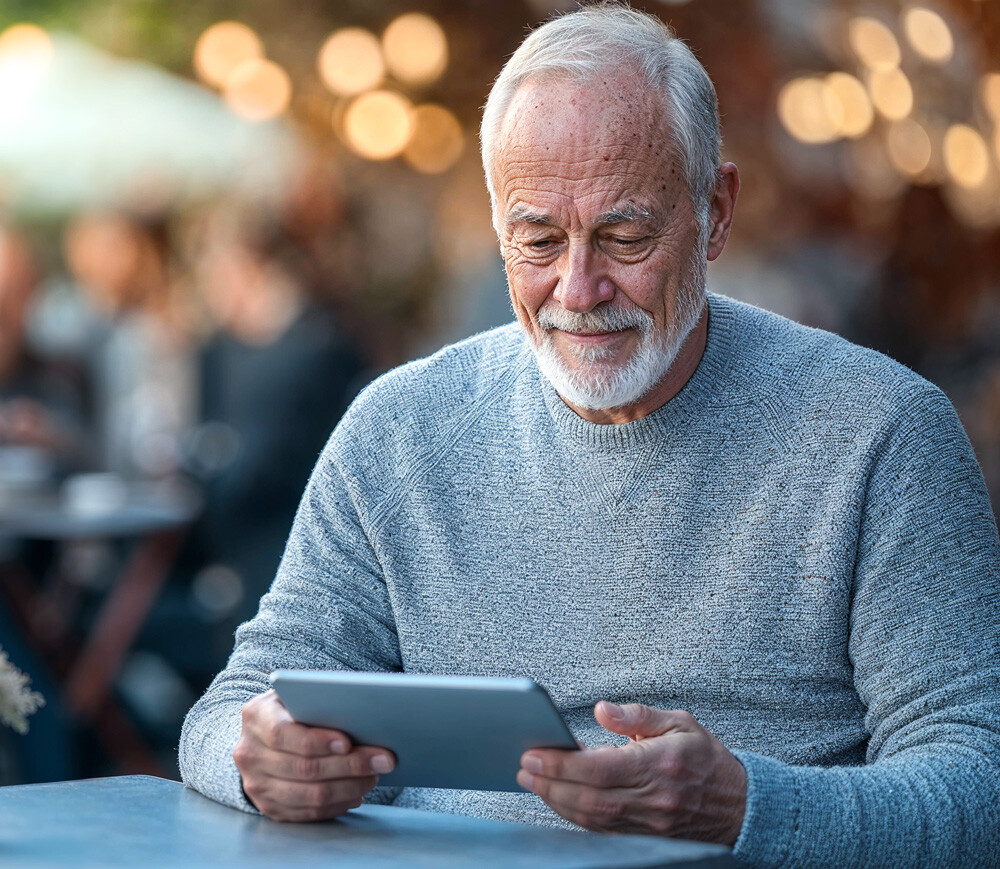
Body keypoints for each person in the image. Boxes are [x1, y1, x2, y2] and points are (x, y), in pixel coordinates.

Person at [179, 5, 1000, 866]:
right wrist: (261, 760)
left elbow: (980, 782)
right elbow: (227, 711)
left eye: (624, 234)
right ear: (495, 228)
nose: (578, 287)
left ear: (715, 213)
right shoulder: (397, 431)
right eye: (537, 238)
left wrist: (746, 805)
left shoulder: (879, 434)